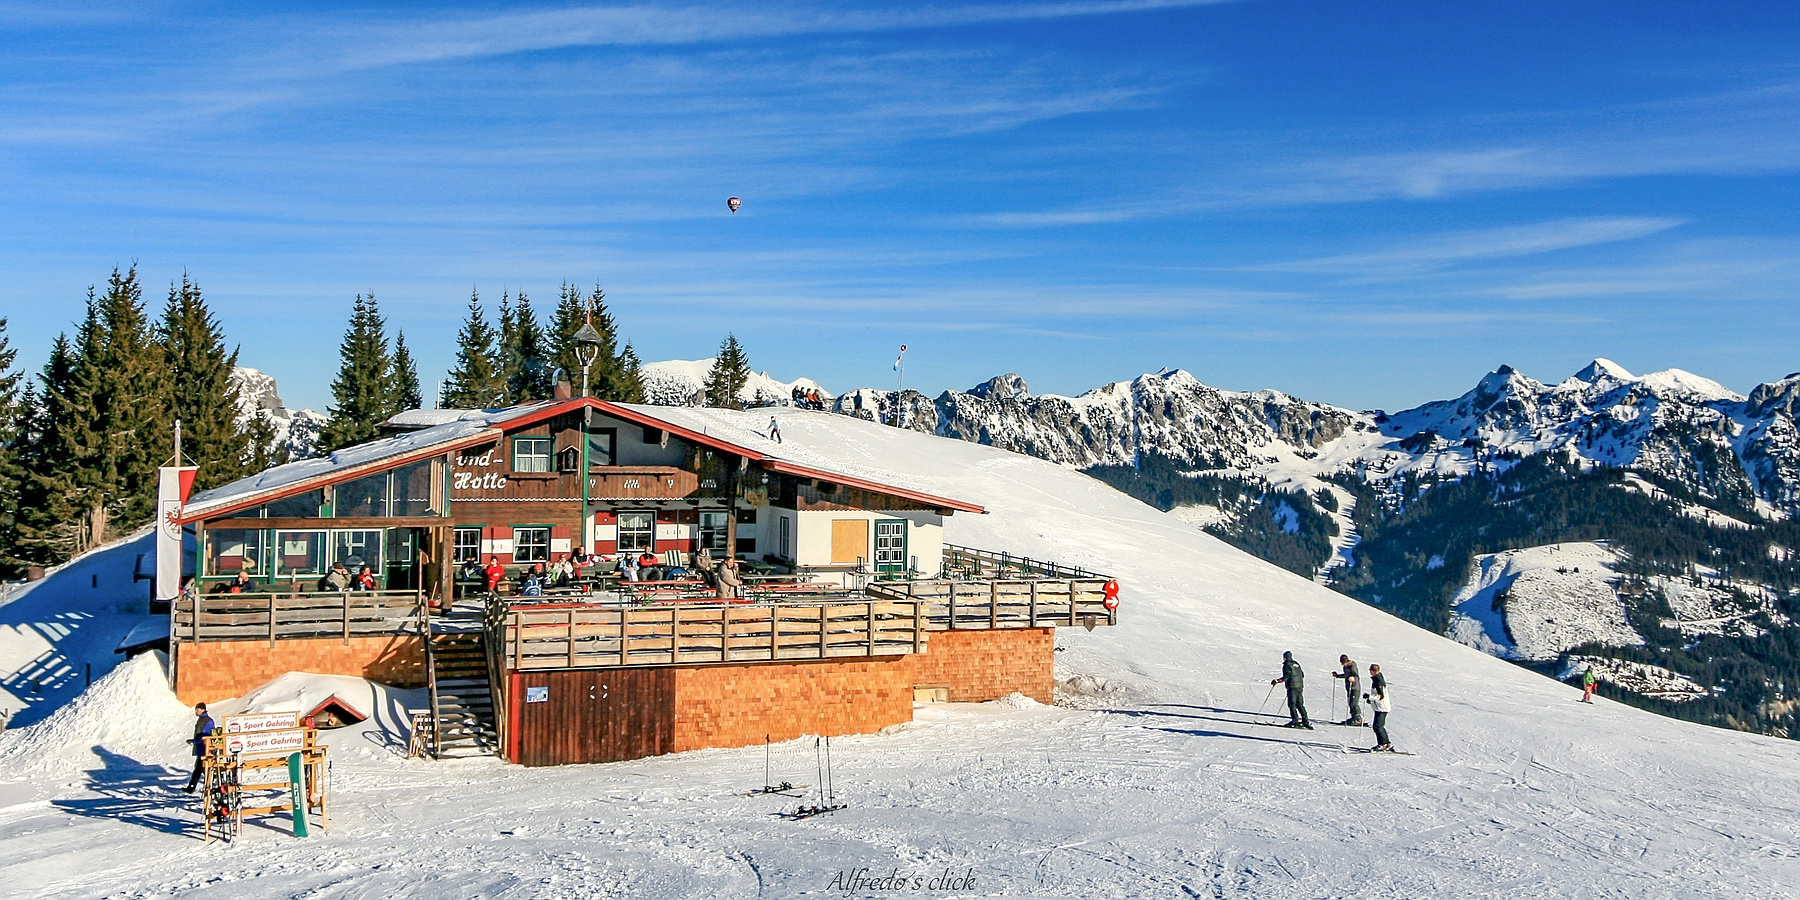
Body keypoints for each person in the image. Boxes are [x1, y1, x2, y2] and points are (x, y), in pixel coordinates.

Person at [1271, 651, 1310, 728]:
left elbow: (1286, 676)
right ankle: (1305, 720)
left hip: (1292, 687)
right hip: (1299, 686)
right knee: (1299, 704)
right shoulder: (1297, 664)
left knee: (1292, 704)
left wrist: (1277, 681)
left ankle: (1295, 720)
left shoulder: (1287, 665)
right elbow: (1302, 675)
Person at [183, 702, 215, 793]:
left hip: (205, 749)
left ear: (203, 709)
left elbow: (207, 736)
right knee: (199, 769)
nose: (196, 711)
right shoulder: (202, 720)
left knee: (203, 769)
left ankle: (207, 787)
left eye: (197, 709)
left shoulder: (208, 721)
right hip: (201, 748)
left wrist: (195, 741)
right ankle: (192, 787)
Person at [1365, 663, 1393, 751]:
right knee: (1377, 726)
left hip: (1382, 707)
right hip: (1379, 707)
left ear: (1373, 671)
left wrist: (1370, 697)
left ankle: (1384, 744)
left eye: (1370, 670)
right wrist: (1370, 700)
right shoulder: (1377, 679)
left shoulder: (1378, 680)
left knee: (1378, 726)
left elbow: (1381, 696)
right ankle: (1385, 743)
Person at [1332, 654, 1363, 726]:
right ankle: (1353, 716)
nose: (1343, 664)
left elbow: (1355, 675)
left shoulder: (1352, 665)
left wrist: (1353, 678)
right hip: (1349, 687)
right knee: (1350, 703)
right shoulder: (1345, 667)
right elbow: (1346, 675)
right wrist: (1337, 676)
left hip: (1355, 688)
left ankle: (1358, 718)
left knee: (1354, 703)